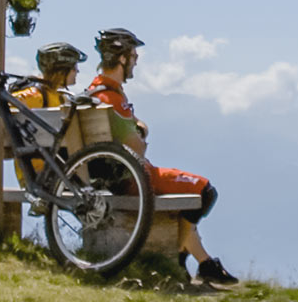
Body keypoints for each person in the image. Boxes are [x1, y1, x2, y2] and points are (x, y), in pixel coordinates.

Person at [90, 27, 238, 287]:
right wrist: (140, 131)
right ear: (122, 59)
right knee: (205, 191)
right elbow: (137, 147)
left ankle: (200, 262)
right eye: (134, 56)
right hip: (133, 178)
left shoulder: (94, 92)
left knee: (197, 193)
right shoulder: (112, 98)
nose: (136, 61)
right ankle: (187, 260)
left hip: (110, 176)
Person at [12, 42, 84, 187]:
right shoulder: (38, 96)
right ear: (62, 71)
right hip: (41, 173)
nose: (77, 71)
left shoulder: (56, 95)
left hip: (47, 170)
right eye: (74, 67)